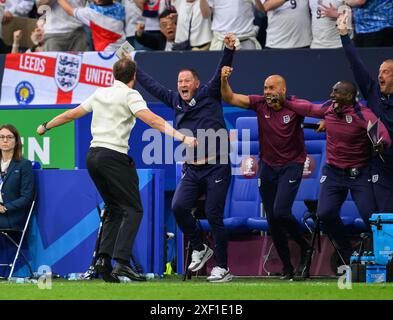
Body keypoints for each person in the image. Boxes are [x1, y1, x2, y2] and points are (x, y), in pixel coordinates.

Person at [36, 58, 196, 283]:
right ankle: (121, 263)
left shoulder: (100, 93)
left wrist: (46, 125)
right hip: (114, 157)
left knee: (113, 208)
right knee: (133, 209)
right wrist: (181, 137)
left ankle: (103, 261)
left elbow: (72, 114)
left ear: (113, 75)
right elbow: (152, 120)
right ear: (134, 77)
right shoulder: (131, 95)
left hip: (93, 157)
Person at [135, 34, 236, 283]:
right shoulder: (174, 100)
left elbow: (221, 68)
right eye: (179, 80)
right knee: (179, 207)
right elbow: (150, 84)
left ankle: (222, 267)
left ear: (197, 84)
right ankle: (200, 247)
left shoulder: (209, 93)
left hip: (217, 166)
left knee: (214, 215)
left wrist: (229, 49)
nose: (182, 83)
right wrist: (129, 62)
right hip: (192, 169)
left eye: (187, 80)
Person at [283, 81, 391, 264]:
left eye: (337, 92)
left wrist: (382, 143)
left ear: (349, 97)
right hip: (333, 173)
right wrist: (284, 101)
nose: (332, 95)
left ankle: (380, 259)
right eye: (332, 91)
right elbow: (308, 108)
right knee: (325, 213)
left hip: (359, 174)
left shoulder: (362, 114)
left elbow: (381, 132)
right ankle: (348, 254)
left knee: (370, 217)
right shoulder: (329, 108)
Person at [221, 65, 311, 280]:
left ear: (283, 89)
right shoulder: (260, 104)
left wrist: (326, 121)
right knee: (272, 218)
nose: (267, 91)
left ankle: (304, 244)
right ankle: (288, 267)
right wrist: (224, 80)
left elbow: (316, 113)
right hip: (268, 167)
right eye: (265, 88)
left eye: (272, 88)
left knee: (281, 212)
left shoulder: (295, 106)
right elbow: (230, 98)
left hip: (292, 164)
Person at [337, 12, 393, 212]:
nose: (380, 75)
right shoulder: (372, 91)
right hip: (381, 165)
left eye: (385, 71)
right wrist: (344, 35)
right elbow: (356, 63)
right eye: (379, 71)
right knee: (385, 214)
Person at [0, 124, 35, 230]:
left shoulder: (24, 165)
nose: (5, 140)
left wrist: (5, 208)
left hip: (10, 215)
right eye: (1, 137)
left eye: (9, 137)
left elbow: (26, 197)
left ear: (16, 141)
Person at [58, 0, 126, 51]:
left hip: (107, 52)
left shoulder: (91, 13)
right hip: (124, 49)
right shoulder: (119, 7)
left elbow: (69, 11)